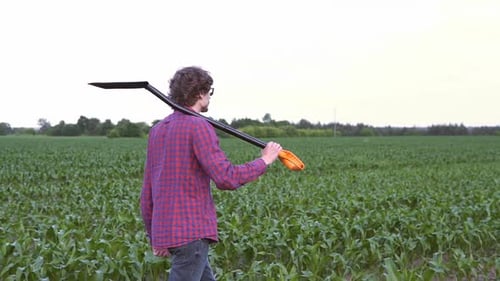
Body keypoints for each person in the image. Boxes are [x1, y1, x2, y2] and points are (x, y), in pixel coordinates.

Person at [140, 66, 282, 281]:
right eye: (209, 91)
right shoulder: (198, 126)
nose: (209, 97)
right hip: (191, 232)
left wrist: (155, 235)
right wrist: (264, 160)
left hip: (170, 230)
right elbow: (226, 177)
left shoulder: (158, 130)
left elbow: (148, 189)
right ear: (200, 93)